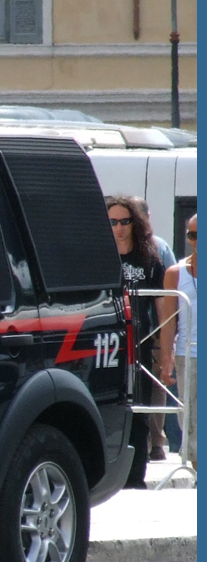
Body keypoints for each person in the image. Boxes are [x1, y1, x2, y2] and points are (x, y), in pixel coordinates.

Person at [105, 195, 167, 488]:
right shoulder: (99, 257)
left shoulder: (150, 260)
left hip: (140, 344)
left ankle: (135, 477)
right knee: (110, 409)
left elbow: (164, 309)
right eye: (113, 222)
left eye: (125, 221)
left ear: (136, 223)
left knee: (139, 411)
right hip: (105, 344)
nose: (119, 228)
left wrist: (166, 355)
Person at [130, 197, 177, 460]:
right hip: (133, 330)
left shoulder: (158, 247)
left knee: (157, 382)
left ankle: (156, 442)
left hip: (154, 330)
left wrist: (166, 330)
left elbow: (168, 290)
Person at [160, 214, 197, 473]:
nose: (196, 241)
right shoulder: (175, 273)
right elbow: (168, 323)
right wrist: (166, 361)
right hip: (189, 353)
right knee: (191, 418)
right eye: (192, 235)